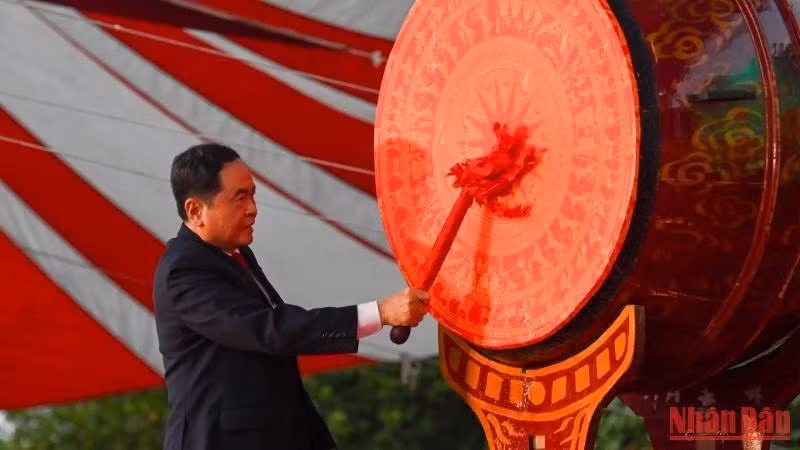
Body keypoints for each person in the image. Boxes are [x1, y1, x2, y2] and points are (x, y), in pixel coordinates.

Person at [152, 143, 429, 450]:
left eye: (253, 194)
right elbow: (269, 329)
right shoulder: (184, 270)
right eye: (239, 197)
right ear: (195, 210)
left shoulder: (234, 253)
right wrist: (379, 313)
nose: (253, 208)